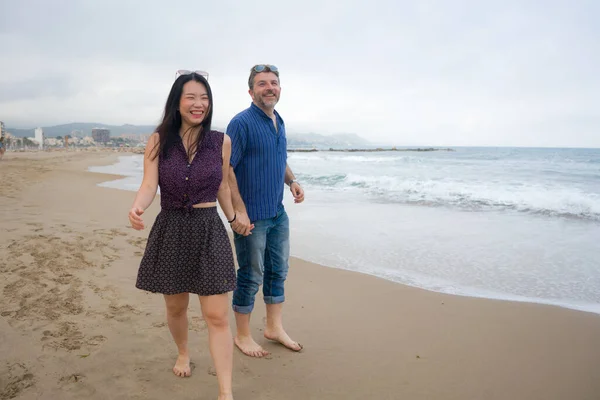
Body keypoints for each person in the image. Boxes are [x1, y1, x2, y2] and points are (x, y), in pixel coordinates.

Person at [128, 70, 238, 400]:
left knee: (217, 316)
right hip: (172, 228)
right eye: (191, 97)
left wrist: (234, 218)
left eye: (204, 98)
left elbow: (222, 185)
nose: (198, 104)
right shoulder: (159, 140)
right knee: (176, 308)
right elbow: (149, 184)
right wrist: (137, 206)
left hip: (208, 229)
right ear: (178, 102)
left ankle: (225, 392)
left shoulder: (221, 141)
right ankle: (183, 352)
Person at [226, 64, 305, 358]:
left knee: (278, 271)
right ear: (251, 91)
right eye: (262, 83)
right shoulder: (241, 123)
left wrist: (292, 181)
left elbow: (278, 158)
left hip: (277, 213)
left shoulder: (278, 120)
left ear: (280, 89)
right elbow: (227, 169)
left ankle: (273, 327)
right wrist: (239, 212)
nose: (269, 87)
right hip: (252, 217)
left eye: (274, 82)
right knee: (250, 274)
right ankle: (243, 335)